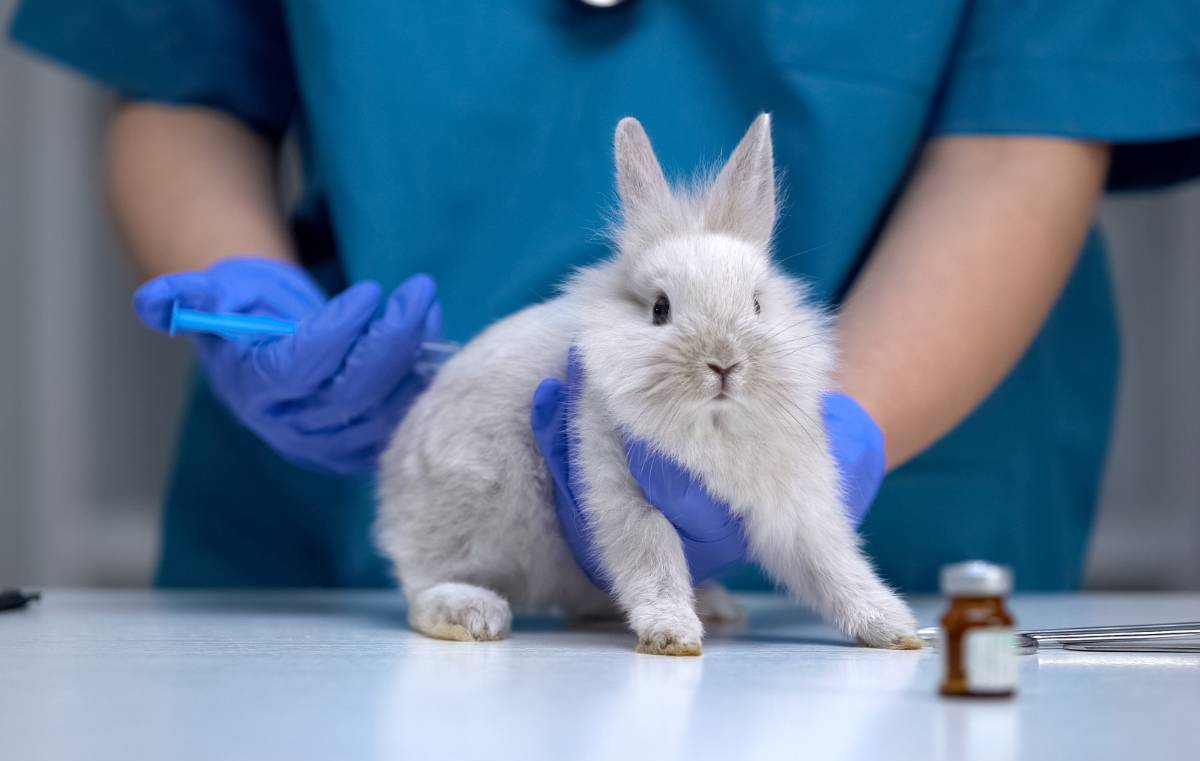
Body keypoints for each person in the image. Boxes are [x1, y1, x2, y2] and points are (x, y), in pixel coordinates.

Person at [10, 1, 1199, 592]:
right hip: (337, 539)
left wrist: (813, 445)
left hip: (914, 476)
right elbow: (181, 73)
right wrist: (256, 298)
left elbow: (1023, 139)